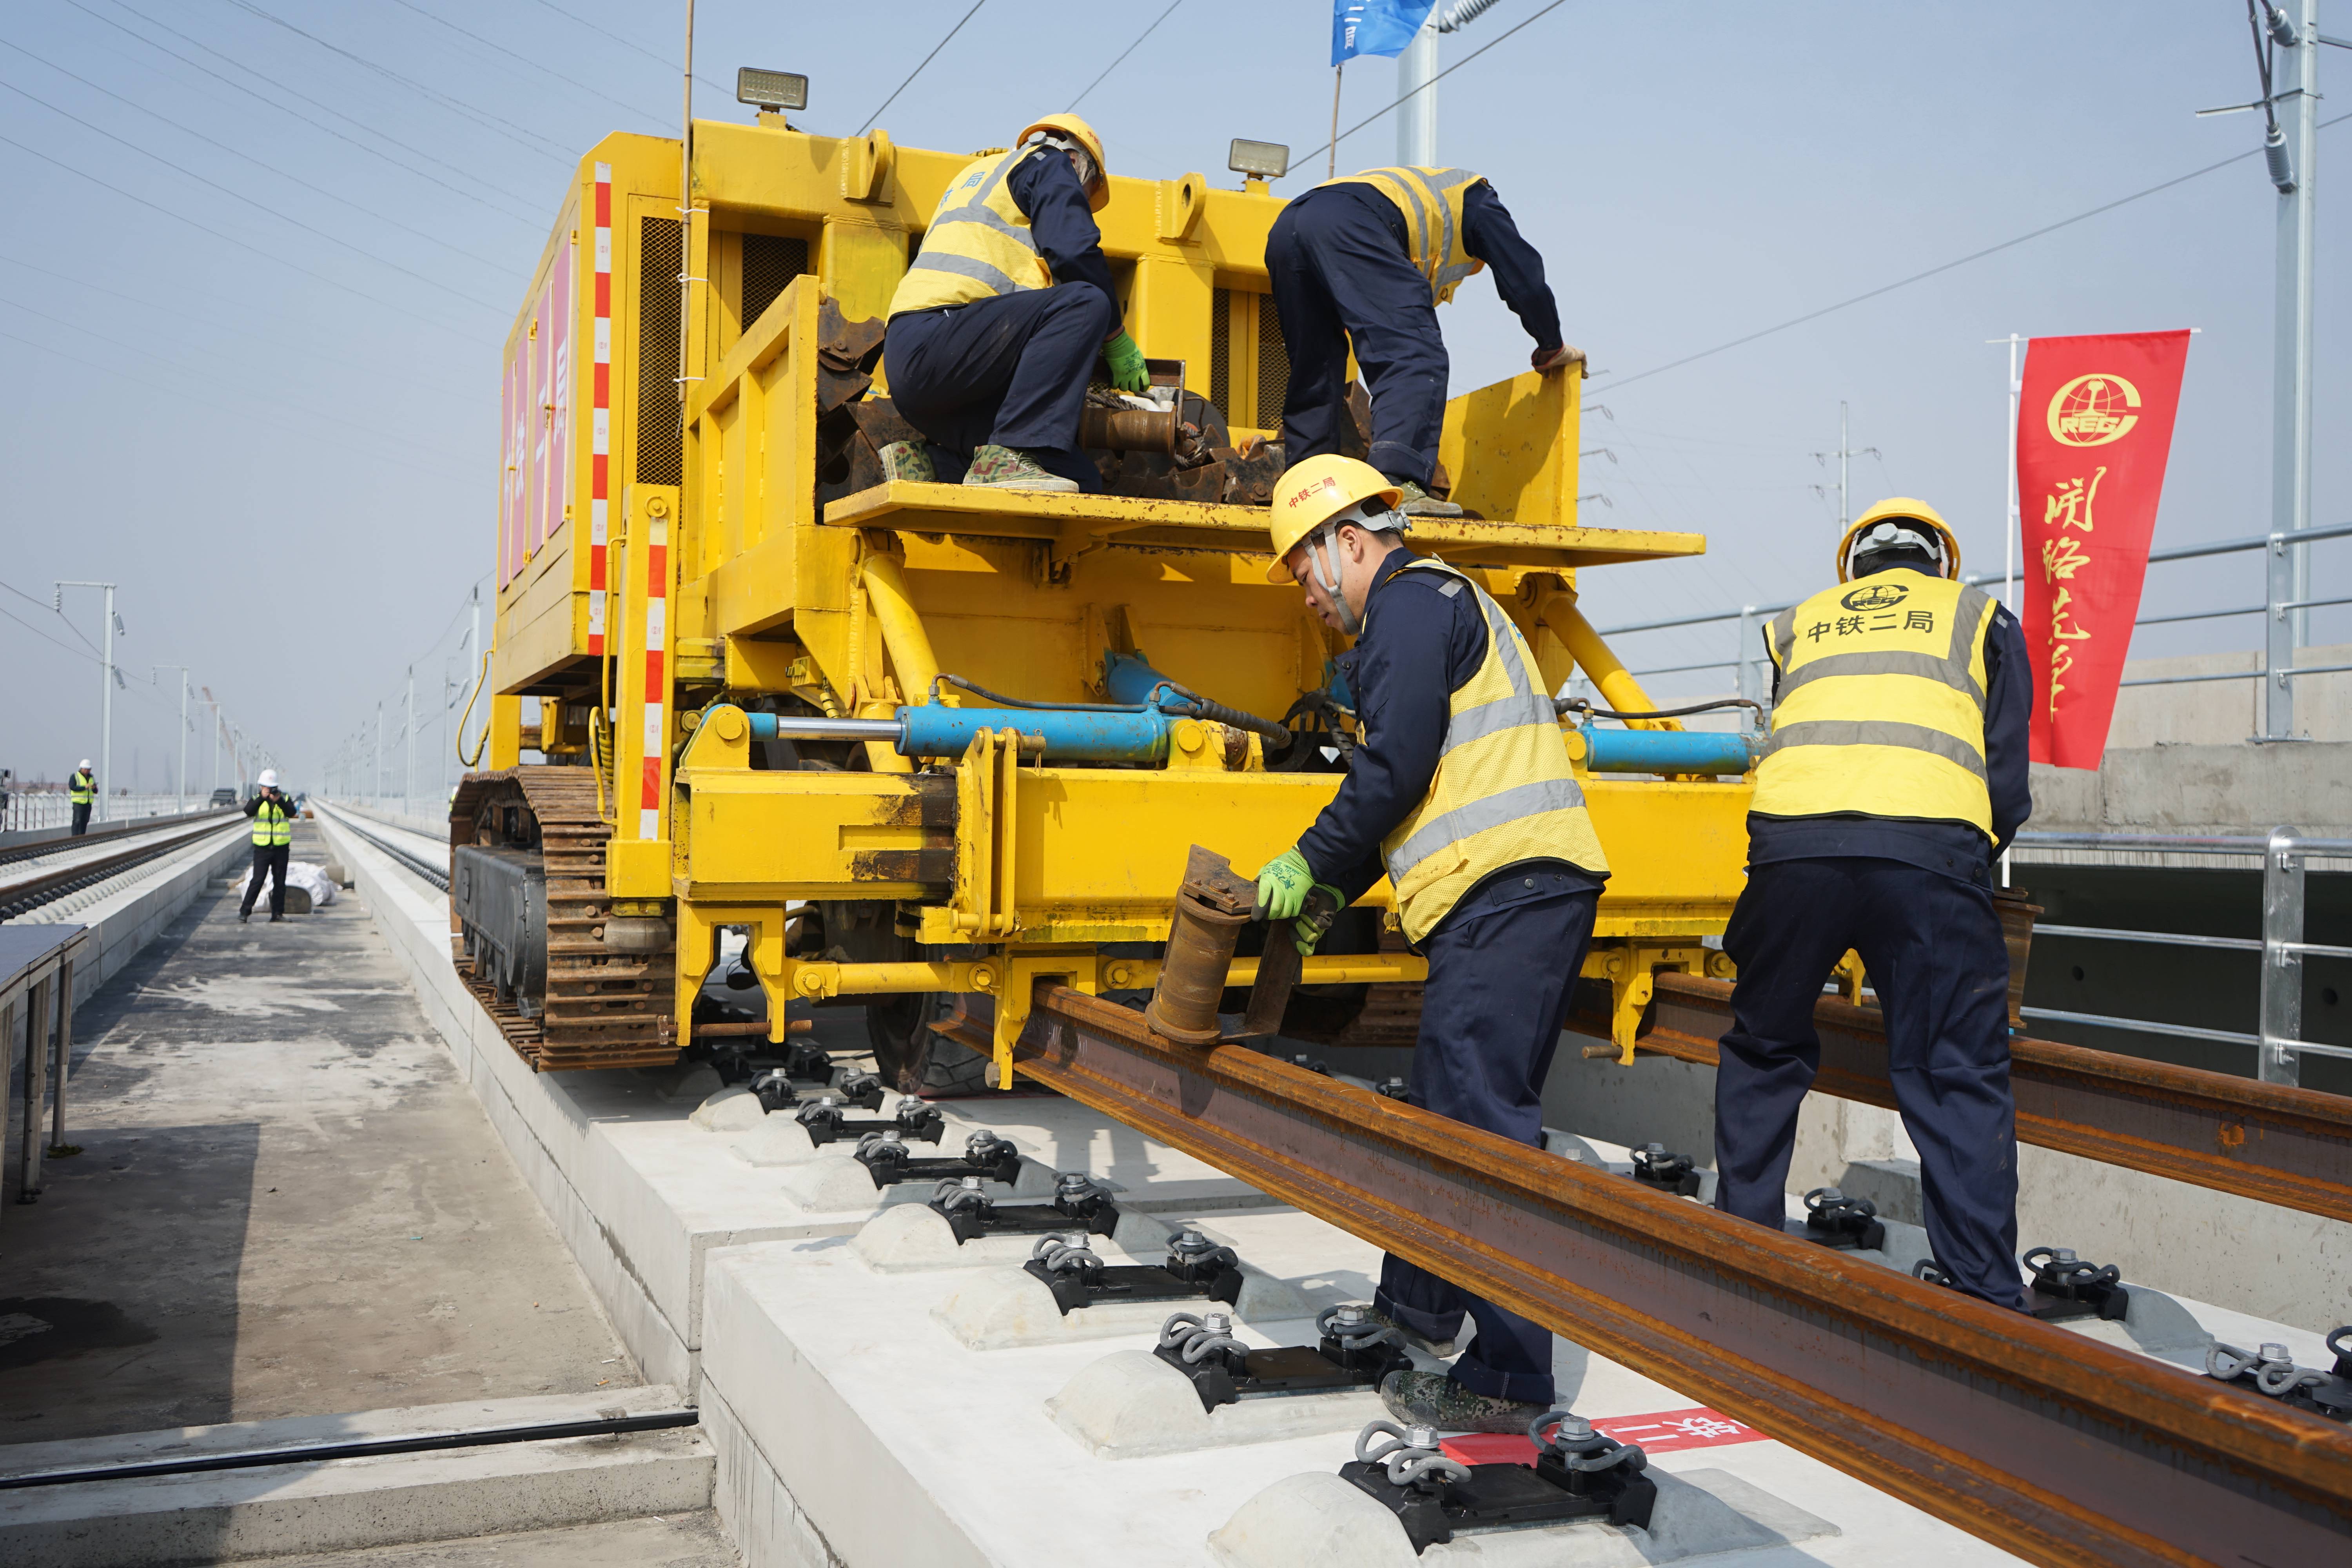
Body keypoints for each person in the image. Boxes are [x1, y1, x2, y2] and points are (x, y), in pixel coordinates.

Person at [1251, 455, 1610, 1431]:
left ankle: (1507, 1378)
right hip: (1511, 893)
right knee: (1447, 1113)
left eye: (1301, 567)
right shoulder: (1437, 604)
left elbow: (1392, 768)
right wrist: (1337, 885)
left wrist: (1308, 858)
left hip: (1508, 894)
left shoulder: (1408, 607)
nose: (1304, 593)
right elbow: (1422, 786)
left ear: (1350, 543)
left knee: (1481, 1135)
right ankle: (1417, 1306)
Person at [1713, 498, 2032, 1308]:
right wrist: (1963, 860)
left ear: (1852, 565)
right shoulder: (1980, 615)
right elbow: (2005, 778)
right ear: (1941, 561)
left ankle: (1743, 1255)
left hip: (1791, 853)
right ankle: (1985, 1298)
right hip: (1928, 855)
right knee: (1954, 1071)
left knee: (1763, 1048)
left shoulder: (1801, 622)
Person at [1266, 166, 1581, 517]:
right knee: (1416, 354)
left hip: (1287, 228)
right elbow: (1524, 279)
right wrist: (1551, 342)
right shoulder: (1476, 198)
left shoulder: (1417, 205)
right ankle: (1399, 482)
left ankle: (1306, 494)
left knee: (1316, 368)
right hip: (1350, 220)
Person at [878, 114, 1148, 495]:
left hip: (929, 376)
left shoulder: (980, 175)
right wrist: (1115, 336)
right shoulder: (1049, 162)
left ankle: (927, 465)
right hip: (939, 339)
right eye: (1082, 195)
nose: (1078, 204)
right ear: (1076, 163)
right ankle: (1005, 457)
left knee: (1078, 479)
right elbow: (1072, 252)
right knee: (1087, 300)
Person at [240, 769, 297, 924]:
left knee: (280, 881)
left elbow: (292, 812)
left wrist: (278, 801)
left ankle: (278, 914)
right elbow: (248, 811)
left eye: (271, 787)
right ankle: (245, 912)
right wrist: (262, 798)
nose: (269, 790)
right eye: (266, 787)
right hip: (262, 848)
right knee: (257, 880)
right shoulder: (257, 799)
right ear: (260, 787)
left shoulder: (284, 798)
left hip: (281, 847)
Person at [68, 759, 96, 835]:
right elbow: (72, 787)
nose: (87, 771)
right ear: (81, 768)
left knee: (85, 821)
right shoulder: (75, 776)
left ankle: (82, 837)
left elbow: (96, 791)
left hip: (88, 803)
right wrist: (84, 787)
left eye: (89, 769)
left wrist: (94, 788)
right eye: (86, 769)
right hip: (78, 802)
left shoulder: (91, 778)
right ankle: (75, 838)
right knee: (77, 820)